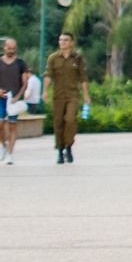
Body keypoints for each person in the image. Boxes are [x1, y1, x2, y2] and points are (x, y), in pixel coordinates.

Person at [44, 32, 88, 165]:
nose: (62, 42)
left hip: (72, 95)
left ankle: (68, 145)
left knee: (70, 120)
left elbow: (83, 78)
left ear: (71, 43)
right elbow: (48, 75)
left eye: (65, 40)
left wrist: (86, 95)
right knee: (58, 123)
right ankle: (60, 150)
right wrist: (44, 91)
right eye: (60, 40)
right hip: (58, 96)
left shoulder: (77, 58)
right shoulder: (53, 58)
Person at [0, 40, 25, 164]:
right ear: (4, 47)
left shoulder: (20, 63)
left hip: (14, 99)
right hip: (1, 98)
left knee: (12, 125)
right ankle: (2, 146)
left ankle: (10, 153)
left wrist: (18, 96)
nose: (11, 50)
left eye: (13, 48)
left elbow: (25, 83)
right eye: (9, 47)